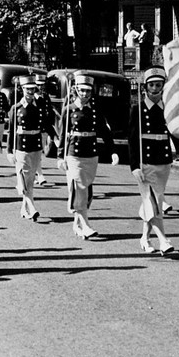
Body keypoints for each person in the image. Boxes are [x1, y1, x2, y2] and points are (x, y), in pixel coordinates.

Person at [56, 74, 117, 239]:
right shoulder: (68, 110)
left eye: (88, 91)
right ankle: (86, 224)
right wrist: (60, 156)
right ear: (76, 90)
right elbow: (62, 135)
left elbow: (105, 132)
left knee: (86, 188)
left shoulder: (95, 111)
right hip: (73, 153)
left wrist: (113, 151)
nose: (85, 94)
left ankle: (77, 224)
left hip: (91, 153)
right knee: (79, 186)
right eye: (82, 90)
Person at [130, 67, 176, 255]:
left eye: (158, 84)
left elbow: (177, 134)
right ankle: (163, 240)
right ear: (145, 88)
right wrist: (134, 166)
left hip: (163, 161)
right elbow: (132, 139)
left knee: (153, 201)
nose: (155, 88)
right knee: (153, 201)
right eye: (151, 85)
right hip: (145, 162)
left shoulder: (169, 109)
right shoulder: (138, 110)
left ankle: (144, 237)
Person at [7, 76, 56, 222]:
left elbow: (47, 124)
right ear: (22, 90)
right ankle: (31, 207)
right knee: (22, 178)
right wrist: (10, 151)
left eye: (32, 89)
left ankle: (24, 208)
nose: (30, 92)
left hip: (35, 147)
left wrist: (55, 137)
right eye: (27, 89)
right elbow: (11, 132)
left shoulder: (39, 107)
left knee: (29, 180)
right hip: (21, 147)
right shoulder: (16, 109)